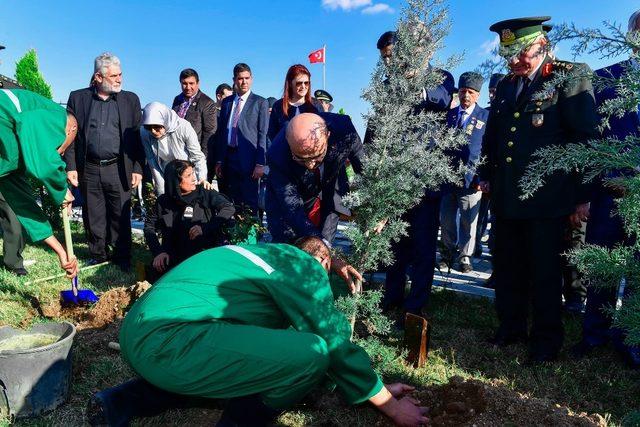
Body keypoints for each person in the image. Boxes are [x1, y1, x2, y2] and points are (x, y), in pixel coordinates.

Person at [88, 237, 427, 427]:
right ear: (322, 264)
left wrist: (372, 387)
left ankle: (120, 401)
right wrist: (390, 406)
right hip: (172, 343)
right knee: (312, 351)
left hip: (141, 334)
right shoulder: (301, 266)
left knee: (243, 364)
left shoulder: (252, 256)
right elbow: (332, 339)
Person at [478, 17, 598, 363]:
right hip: (506, 195)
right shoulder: (504, 85)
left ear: (542, 45)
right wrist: (486, 173)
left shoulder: (568, 76)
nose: (514, 61)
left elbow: (586, 140)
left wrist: (583, 196)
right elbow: (494, 137)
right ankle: (511, 328)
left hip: (548, 198)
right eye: (508, 55)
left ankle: (545, 342)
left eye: (521, 53)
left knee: (545, 273)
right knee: (509, 265)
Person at [571, 9, 640, 369]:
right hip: (610, 195)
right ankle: (593, 334)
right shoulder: (604, 80)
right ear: (631, 36)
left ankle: (632, 340)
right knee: (602, 267)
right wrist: (586, 192)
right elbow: (588, 142)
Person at [372, 30, 455, 319]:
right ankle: (392, 297)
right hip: (395, 179)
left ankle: (414, 307)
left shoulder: (441, 77)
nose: (390, 63)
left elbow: (442, 99)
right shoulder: (387, 85)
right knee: (395, 244)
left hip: (424, 181)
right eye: (385, 60)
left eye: (393, 56)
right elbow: (376, 128)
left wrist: (415, 87)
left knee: (422, 248)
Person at [65, 52, 144, 271]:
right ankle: (98, 254)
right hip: (89, 167)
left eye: (121, 75)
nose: (120, 79)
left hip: (118, 167)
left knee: (120, 213)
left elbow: (137, 137)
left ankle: (121, 257)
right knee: (93, 214)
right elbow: (70, 136)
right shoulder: (78, 98)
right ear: (98, 77)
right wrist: (71, 166)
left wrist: (137, 167)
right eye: (114, 76)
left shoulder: (130, 100)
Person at [0, 88, 79, 278]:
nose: (60, 153)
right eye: (62, 147)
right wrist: (61, 190)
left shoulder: (13, 161)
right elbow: (44, 166)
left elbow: (26, 209)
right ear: (71, 129)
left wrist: (61, 252)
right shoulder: (56, 117)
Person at [266, 112, 363, 245]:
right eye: (301, 159)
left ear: (328, 136)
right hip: (291, 205)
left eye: (316, 157)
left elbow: (364, 167)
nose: (310, 165)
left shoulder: (343, 130)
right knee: (290, 247)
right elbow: (292, 207)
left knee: (326, 244)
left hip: (329, 193)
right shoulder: (277, 155)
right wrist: (318, 243)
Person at [144, 159, 234, 276]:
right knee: (156, 275)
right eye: (188, 175)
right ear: (176, 181)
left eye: (193, 173)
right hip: (174, 254)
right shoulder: (163, 201)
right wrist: (159, 252)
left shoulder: (204, 192)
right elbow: (149, 227)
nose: (194, 179)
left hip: (203, 253)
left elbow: (228, 208)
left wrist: (204, 228)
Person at [439, 72, 489, 273]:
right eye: (462, 91)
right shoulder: (448, 115)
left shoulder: (486, 117)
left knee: (469, 222)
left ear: (478, 94)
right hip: (447, 178)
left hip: (472, 180)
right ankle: (447, 254)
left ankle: (465, 257)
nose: (465, 95)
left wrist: (482, 176)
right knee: (447, 220)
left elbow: (489, 149)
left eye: (470, 92)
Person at [215, 63, 269, 214]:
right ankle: (233, 234)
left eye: (247, 78)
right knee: (230, 200)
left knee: (250, 201)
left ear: (251, 79)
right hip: (228, 158)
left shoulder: (260, 102)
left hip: (249, 161)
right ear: (234, 80)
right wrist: (219, 160)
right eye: (240, 78)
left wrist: (260, 163)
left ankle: (252, 235)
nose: (244, 82)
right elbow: (221, 133)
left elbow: (262, 134)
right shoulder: (227, 102)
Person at [140, 102, 208, 195]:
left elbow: (197, 156)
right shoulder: (144, 132)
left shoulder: (184, 127)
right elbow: (152, 161)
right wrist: (161, 190)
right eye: (148, 127)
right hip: (165, 173)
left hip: (187, 174)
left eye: (157, 127)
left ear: (165, 121)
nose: (153, 131)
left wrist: (202, 178)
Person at [474, 73, 505, 265]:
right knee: (480, 217)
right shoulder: (485, 114)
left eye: (496, 91)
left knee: (498, 223)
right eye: (491, 91)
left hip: (502, 178)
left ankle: (496, 262)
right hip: (485, 175)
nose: (493, 95)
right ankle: (475, 246)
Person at [171, 68, 217, 160]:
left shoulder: (207, 102)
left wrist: (202, 158)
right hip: (176, 152)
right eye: (184, 83)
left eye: (191, 83)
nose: (188, 87)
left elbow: (209, 132)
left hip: (194, 154)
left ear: (198, 83)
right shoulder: (177, 100)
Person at [268, 64, 318, 142]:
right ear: (290, 84)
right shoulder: (278, 106)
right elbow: (272, 135)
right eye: (299, 83)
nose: (303, 86)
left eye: (306, 83)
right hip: (284, 153)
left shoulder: (316, 105)